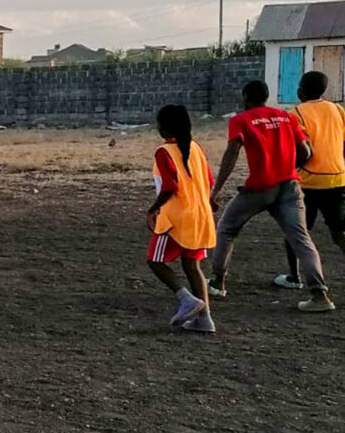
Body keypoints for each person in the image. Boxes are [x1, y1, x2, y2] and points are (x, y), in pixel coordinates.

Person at [209, 80, 335, 312]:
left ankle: (218, 282)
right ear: (266, 96)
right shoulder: (286, 117)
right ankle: (320, 295)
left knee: (227, 229)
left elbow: (232, 152)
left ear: (246, 96)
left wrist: (217, 189)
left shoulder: (241, 120)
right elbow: (306, 151)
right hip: (289, 186)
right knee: (302, 239)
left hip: (259, 188)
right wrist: (287, 169)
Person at [146, 105, 217, 332]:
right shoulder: (195, 148)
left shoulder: (164, 151)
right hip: (200, 215)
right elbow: (209, 182)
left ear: (164, 127)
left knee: (155, 261)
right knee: (192, 265)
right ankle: (205, 320)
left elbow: (169, 187)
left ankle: (186, 298)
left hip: (176, 218)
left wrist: (153, 209)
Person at [274, 72, 345, 290]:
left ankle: (295, 278)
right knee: (339, 232)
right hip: (337, 178)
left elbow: (301, 151)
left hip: (308, 181)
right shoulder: (338, 110)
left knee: (296, 232)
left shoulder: (295, 113)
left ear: (300, 91)